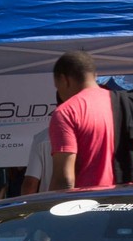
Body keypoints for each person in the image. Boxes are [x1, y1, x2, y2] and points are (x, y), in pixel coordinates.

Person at [46, 51, 115, 192]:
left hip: (88, 204)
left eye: (57, 86)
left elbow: (64, 180)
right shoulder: (125, 104)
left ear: (64, 80)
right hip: (130, 202)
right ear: (94, 76)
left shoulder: (67, 112)